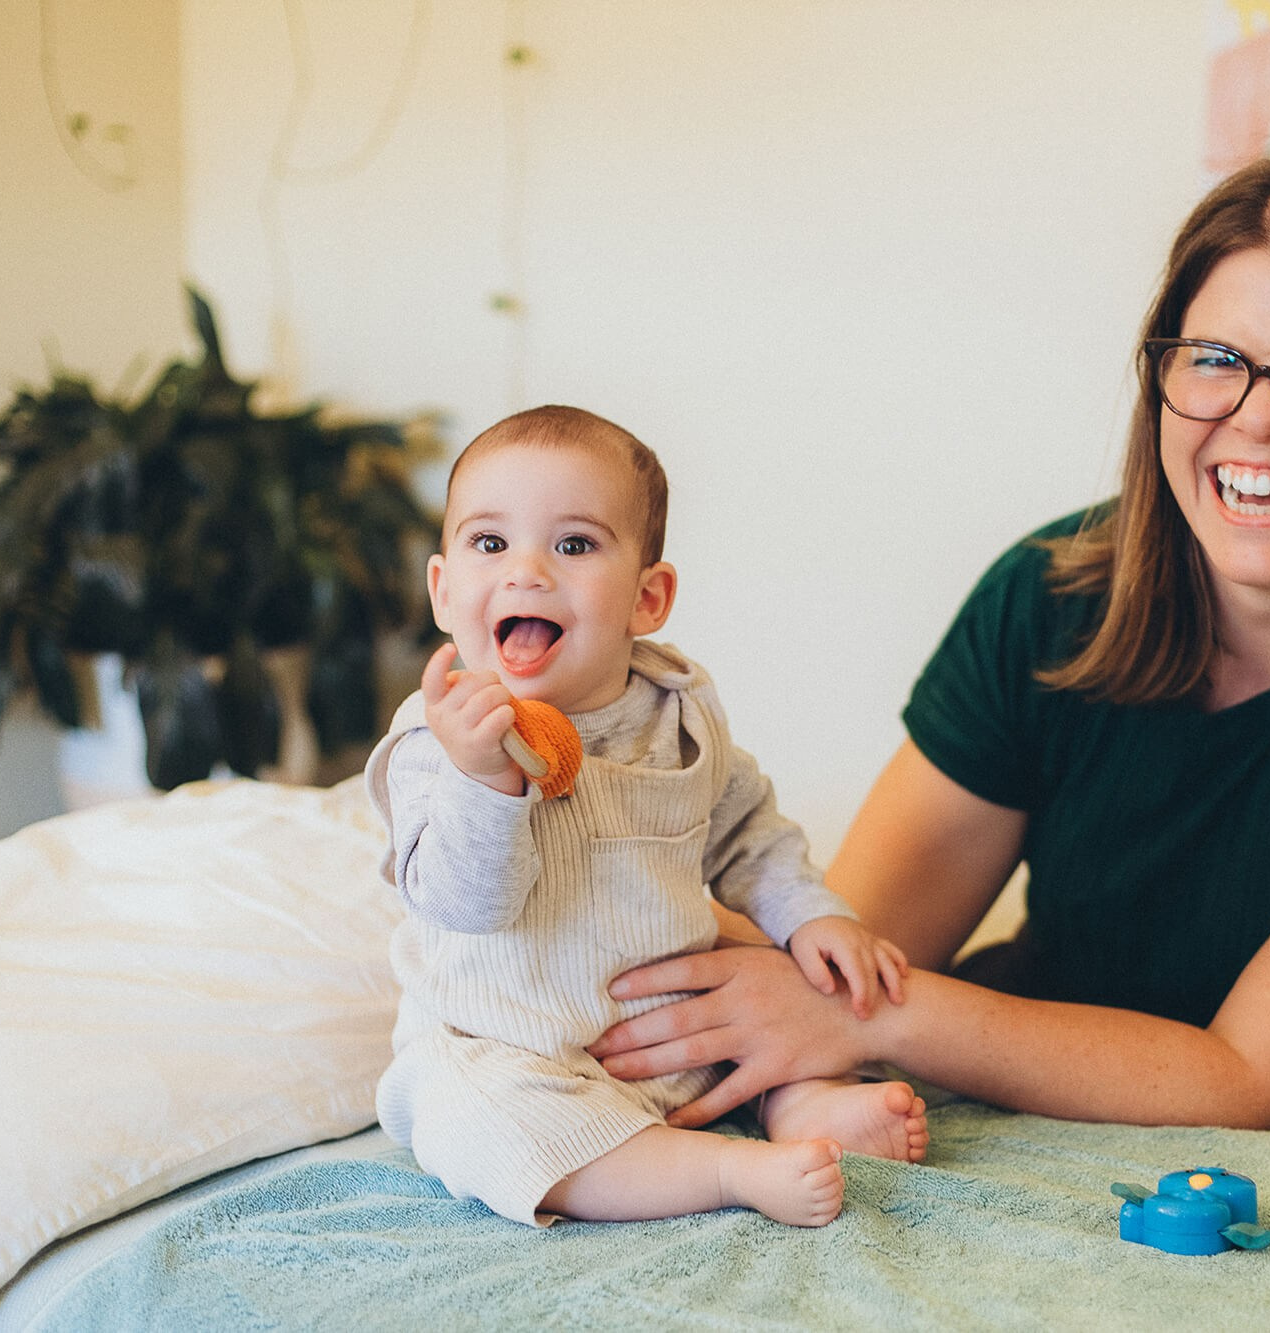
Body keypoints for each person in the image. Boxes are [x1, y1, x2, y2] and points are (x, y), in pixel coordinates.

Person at [587, 149, 1270, 1155]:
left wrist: (877, 1016)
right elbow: (849, 956)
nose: (1258, 417)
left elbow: (1249, 1080)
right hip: (1029, 1132)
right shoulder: (1048, 596)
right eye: (1214, 360)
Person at [367, 405, 928, 1230]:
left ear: (648, 596)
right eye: (491, 542)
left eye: (574, 545)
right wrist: (482, 779)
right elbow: (465, 904)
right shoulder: (435, 742)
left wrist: (810, 912)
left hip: (672, 1032)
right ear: (444, 590)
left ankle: (804, 1106)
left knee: (784, 1024)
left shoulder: (678, 712)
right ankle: (729, 1170)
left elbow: (745, 830)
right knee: (470, 1118)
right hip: (511, 1047)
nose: (527, 572)